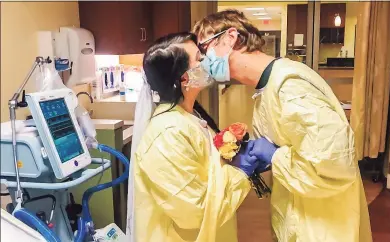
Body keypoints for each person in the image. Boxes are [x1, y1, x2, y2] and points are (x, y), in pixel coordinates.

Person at [193, 10, 372, 242]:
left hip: (324, 222)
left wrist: (274, 155)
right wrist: (261, 156)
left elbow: (335, 163)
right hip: (300, 208)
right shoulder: (266, 87)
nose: (203, 61)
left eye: (204, 49)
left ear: (230, 37)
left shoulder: (290, 85)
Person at [126, 32, 262, 242]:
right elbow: (195, 211)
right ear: (184, 78)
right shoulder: (167, 135)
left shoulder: (189, 117)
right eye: (199, 59)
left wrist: (231, 151)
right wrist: (241, 171)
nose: (207, 61)